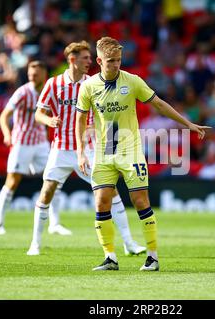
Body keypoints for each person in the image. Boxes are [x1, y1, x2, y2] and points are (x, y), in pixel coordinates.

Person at [75, 37, 210, 271]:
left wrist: (187, 123)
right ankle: (110, 257)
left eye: (118, 60)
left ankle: (153, 257)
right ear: (99, 60)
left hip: (131, 151)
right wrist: (80, 152)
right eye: (110, 61)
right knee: (101, 202)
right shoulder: (88, 87)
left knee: (140, 201)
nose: (116, 65)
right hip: (103, 152)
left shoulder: (133, 81)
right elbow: (79, 120)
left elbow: (158, 104)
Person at [27, 41, 145, 256]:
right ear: (72, 60)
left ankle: (129, 243)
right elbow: (38, 113)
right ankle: (35, 243)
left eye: (90, 58)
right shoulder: (54, 84)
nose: (90, 62)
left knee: (112, 192)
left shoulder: (92, 83)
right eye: (85, 58)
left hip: (89, 150)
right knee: (46, 192)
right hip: (61, 148)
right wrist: (49, 120)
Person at [0, 61, 68, 236]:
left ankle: (55, 224)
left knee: (53, 180)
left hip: (41, 143)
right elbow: (4, 116)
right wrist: (6, 134)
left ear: (44, 73)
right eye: (30, 73)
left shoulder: (50, 91)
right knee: (12, 181)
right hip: (22, 142)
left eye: (36, 72)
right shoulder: (22, 92)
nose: (32, 75)